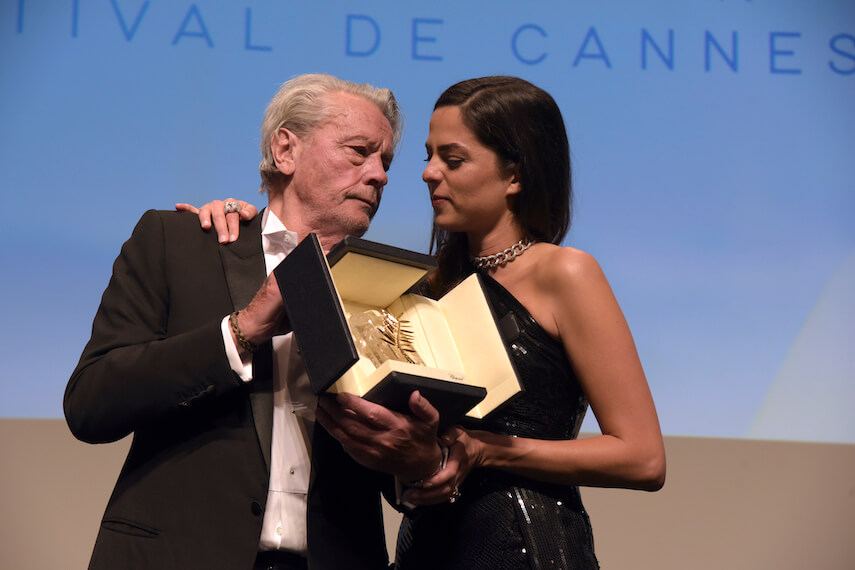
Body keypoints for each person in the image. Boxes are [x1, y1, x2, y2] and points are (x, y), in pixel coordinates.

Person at [196, 76, 666, 569]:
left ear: (515, 175)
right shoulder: (420, 287)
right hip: (425, 548)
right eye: (428, 156)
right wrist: (237, 217)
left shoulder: (565, 272)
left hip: (522, 547)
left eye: (453, 159)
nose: (427, 174)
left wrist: (487, 450)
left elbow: (642, 457)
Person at [64, 74, 446, 570]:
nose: (380, 175)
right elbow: (90, 404)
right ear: (285, 150)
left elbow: (399, 468)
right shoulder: (180, 243)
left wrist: (415, 462)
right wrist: (239, 333)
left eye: (386, 162)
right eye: (359, 151)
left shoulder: (395, 295)